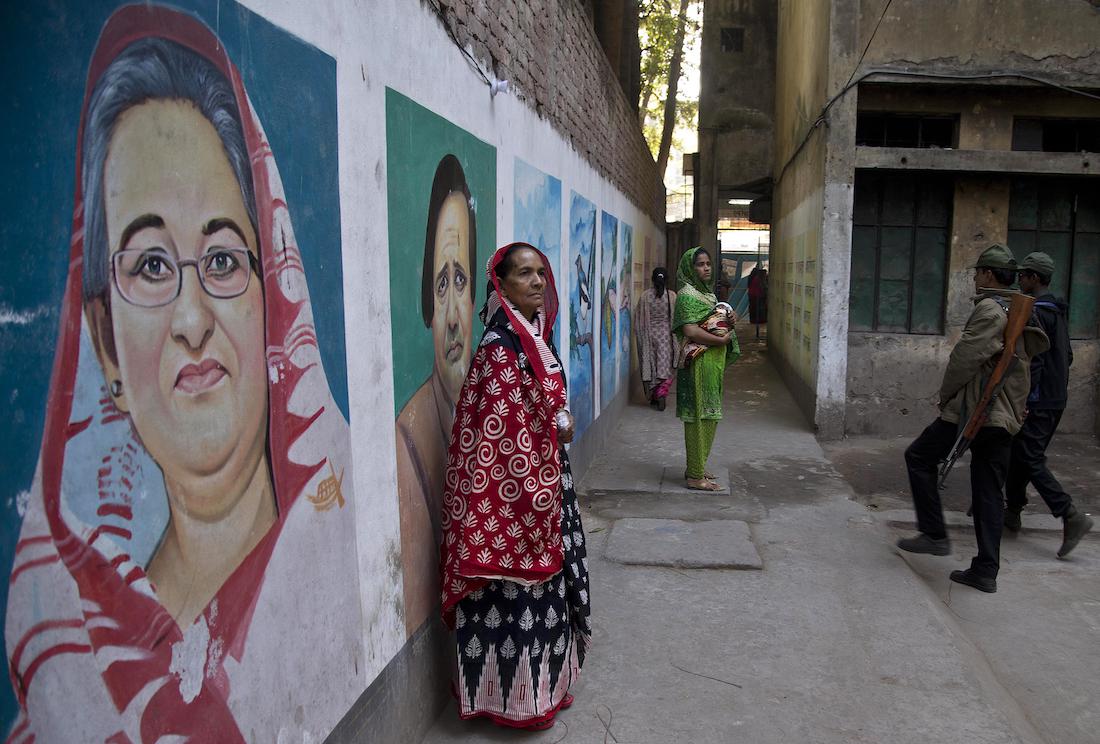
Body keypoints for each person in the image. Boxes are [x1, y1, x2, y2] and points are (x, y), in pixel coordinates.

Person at [6, 8, 362, 739]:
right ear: (106, 344)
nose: (192, 319)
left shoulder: (347, 534)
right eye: (150, 266)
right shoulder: (72, 668)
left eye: (224, 259)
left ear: (274, 302)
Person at [439, 242, 592, 731]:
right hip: (510, 494)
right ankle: (511, 702)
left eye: (540, 273)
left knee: (545, 595)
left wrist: (558, 426)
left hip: (542, 478)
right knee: (512, 595)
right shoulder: (499, 350)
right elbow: (499, 433)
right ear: (501, 284)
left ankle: (542, 690)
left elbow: (540, 410)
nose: (537, 282)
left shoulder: (532, 337)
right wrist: (537, 484)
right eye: (524, 274)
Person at [897, 244, 1048, 594]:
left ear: (988, 274)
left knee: (919, 456)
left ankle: (934, 534)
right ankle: (985, 570)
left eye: (978, 272)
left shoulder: (991, 309)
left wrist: (946, 396)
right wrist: (1019, 406)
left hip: (973, 411)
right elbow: (1029, 365)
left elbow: (964, 359)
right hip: (1002, 414)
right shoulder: (1019, 309)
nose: (975, 279)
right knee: (988, 491)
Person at [395, 154, 478, 633]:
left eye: (460, 281)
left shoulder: (484, 398)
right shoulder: (407, 443)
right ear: (428, 302)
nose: (451, 317)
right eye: (441, 283)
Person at [1006, 252, 1094, 557]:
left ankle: (1070, 514)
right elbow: (1066, 356)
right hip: (1055, 398)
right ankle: (1012, 511)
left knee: (1029, 457)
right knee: (1020, 452)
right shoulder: (1057, 311)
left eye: (1023, 275)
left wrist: (1026, 400)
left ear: (1034, 278)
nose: (1020, 280)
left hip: (1040, 400)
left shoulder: (1037, 312)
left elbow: (1035, 363)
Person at [672, 248, 739, 492]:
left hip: (712, 365)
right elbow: (690, 331)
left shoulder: (707, 295)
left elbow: (715, 320)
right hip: (698, 364)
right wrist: (720, 341)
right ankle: (695, 476)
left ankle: (697, 466)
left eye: (708, 263)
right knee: (699, 418)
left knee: (710, 415)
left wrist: (730, 319)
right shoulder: (686, 296)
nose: (706, 268)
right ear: (690, 268)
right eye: (700, 264)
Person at [635, 267, 677, 410]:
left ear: (653, 279)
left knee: (651, 364)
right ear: (667, 280)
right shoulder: (672, 296)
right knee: (664, 364)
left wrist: (641, 336)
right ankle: (662, 392)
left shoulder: (645, 296)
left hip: (649, 336)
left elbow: (638, 319)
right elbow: (678, 317)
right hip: (666, 336)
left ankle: (654, 393)